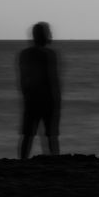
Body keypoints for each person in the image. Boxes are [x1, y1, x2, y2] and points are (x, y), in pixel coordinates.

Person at [17, 21, 61, 159]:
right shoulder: (49, 54)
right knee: (51, 136)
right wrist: (56, 101)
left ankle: (22, 161)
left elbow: (23, 79)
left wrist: (26, 95)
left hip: (31, 98)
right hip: (47, 99)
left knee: (28, 135)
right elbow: (52, 79)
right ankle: (54, 160)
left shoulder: (24, 54)